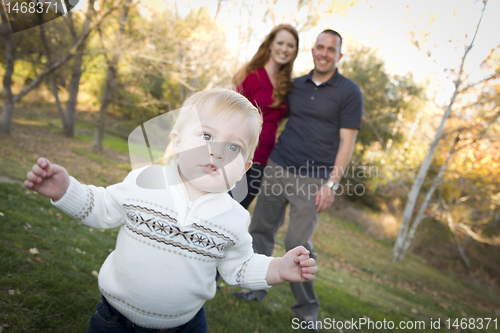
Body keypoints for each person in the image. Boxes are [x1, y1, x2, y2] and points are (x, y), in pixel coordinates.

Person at [24, 88, 317, 333]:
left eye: (233, 148)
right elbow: (101, 207)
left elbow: (238, 267)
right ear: (176, 141)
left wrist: (277, 268)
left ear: (245, 169)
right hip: (115, 320)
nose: (216, 151)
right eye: (206, 136)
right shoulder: (145, 182)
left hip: (184, 326)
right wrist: (66, 191)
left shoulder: (234, 218)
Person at [235, 30, 363, 330]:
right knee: (261, 230)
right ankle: (255, 288)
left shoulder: (349, 92)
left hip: (314, 179)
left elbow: (347, 143)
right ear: (312, 50)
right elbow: (271, 116)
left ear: (339, 56)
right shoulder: (295, 86)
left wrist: (332, 184)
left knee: (297, 243)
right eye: (320, 47)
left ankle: (307, 311)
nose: (324, 53)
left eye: (331, 49)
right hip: (278, 166)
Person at [233, 24, 299, 209]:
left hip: (263, 159)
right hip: (241, 154)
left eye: (290, 45)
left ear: (295, 51)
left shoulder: (286, 83)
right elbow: (233, 112)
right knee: (221, 206)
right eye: (280, 42)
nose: (284, 49)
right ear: (270, 44)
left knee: (238, 211)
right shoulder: (252, 74)